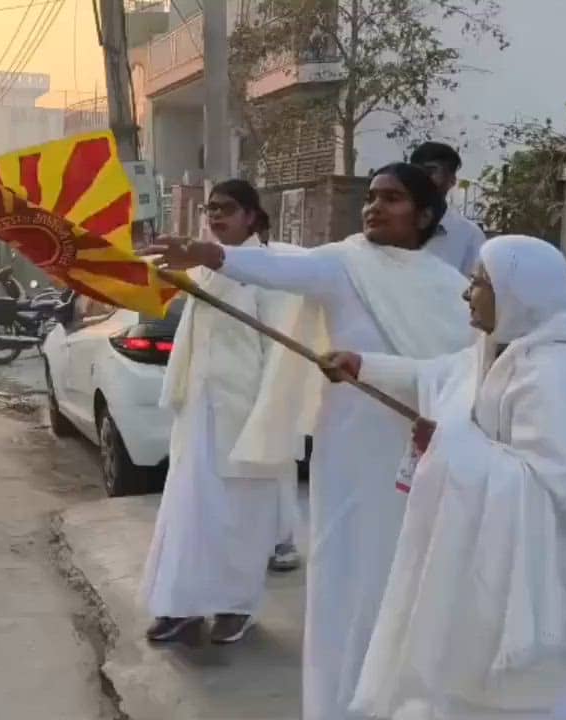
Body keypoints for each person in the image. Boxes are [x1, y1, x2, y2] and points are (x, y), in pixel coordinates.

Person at [146, 163, 476, 720]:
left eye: (391, 199)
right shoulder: (344, 264)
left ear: (424, 214)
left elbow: (465, 369)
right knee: (347, 570)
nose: (373, 207)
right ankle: (343, 700)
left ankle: (406, 696)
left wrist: (441, 412)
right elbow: (277, 268)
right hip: (350, 446)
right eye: (370, 197)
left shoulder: (450, 287)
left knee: (413, 568)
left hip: (420, 445)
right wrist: (209, 255)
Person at [321, 235, 566, 720]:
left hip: (526, 562)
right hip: (475, 544)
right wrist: (363, 365)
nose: (467, 294)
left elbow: (553, 485)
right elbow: (434, 375)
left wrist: (450, 450)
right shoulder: (496, 349)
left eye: (480, 284)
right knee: (456, 657)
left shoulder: (554, 372)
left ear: (520, 292)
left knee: (508, 682)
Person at [139, 179, 303, 646]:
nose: (215, 216)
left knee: (239, 517)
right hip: (199, 410)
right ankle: (180, 606)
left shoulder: (269, 270)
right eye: (210, 209)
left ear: (252, 216)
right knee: (188, 512)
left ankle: (236, 607)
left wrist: (271, 419)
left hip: (247, 411)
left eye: (226, 209)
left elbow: (279, 353)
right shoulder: (206, 265)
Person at [410, 142, 488, 277]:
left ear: (452, 180)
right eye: (415, 171)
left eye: (430, 171)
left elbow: (476, 292)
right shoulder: (392, 225)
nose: (420, 178)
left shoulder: (470, 236)